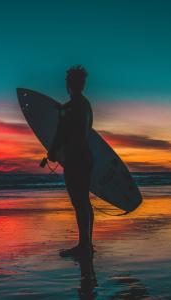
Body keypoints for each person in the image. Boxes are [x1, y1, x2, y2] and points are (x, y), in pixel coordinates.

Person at [48, 65, 94, 257]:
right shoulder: (85, 105)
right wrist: (63, 109)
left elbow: (62, 133)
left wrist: (52, 150)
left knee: (79, 202)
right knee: (84, 202)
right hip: (86, 157)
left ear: (68, 84)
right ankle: (86, 244)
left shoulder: (71, 108)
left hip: (75, 159)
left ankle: (84, 246)